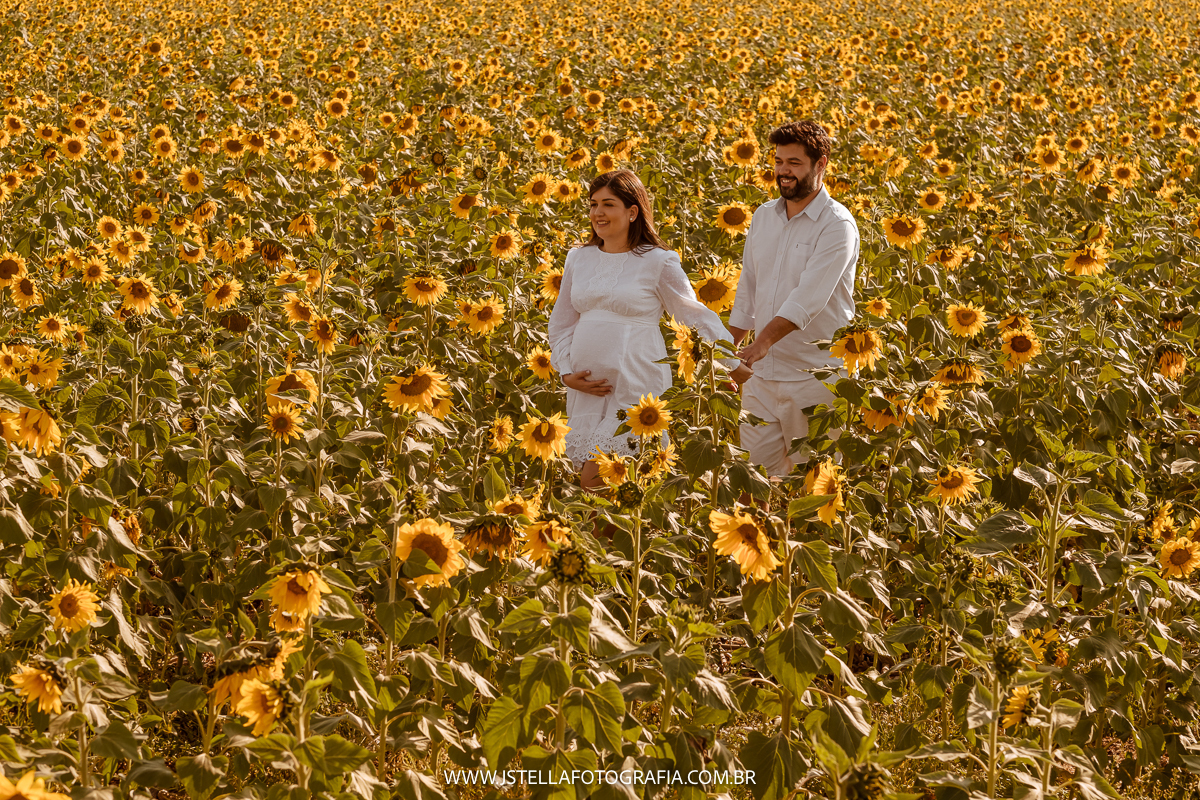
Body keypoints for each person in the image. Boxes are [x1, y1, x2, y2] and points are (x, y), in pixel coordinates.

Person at [549, 169, 754, 490]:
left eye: (608, 204)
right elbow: (561, 322)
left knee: (597, 481)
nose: (597, 213)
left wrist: (730, 362)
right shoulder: (579, 258)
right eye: (593, 205)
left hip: (637, 385)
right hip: (587, 390)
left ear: (632, 212)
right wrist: (565, 371)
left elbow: (693, 314)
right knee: (605, 490)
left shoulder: (658, 261)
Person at [729, 120, 859, 478]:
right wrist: (728, 349)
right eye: (779, 162)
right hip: (761, 378)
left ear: (821, 165)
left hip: (814, 376)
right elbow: (748, 289)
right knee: (753, 480)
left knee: (815, 486)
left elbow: (809, 298)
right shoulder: (763, 217)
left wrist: (761, 343)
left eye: (794, 164)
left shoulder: (837, 226)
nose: (783, 172)